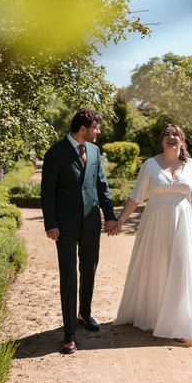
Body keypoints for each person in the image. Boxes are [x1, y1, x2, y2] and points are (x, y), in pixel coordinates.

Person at [111, 124, 192, 341]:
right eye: (167, 134)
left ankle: (180, 322)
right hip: (155, 223)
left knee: (180, 267)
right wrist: (120, 221)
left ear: (182, 140)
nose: (171, 137)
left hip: (183, 223)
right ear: (161, 140)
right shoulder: (150, 165)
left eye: (175, 134)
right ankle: (154, 314)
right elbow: (136, 197)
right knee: (157, 266)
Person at [41, 108, 119, 354]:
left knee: (89, 269)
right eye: (96, 127)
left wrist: (110, 216)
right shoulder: (55, 153)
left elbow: (101, 185)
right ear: (83, 129)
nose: (99, 131)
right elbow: (47, 192)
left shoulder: (94, 151)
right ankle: (69, 332)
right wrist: (51, 224)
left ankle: (84, 313)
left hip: (91, 223)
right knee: (68, 275)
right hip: (64, 226)